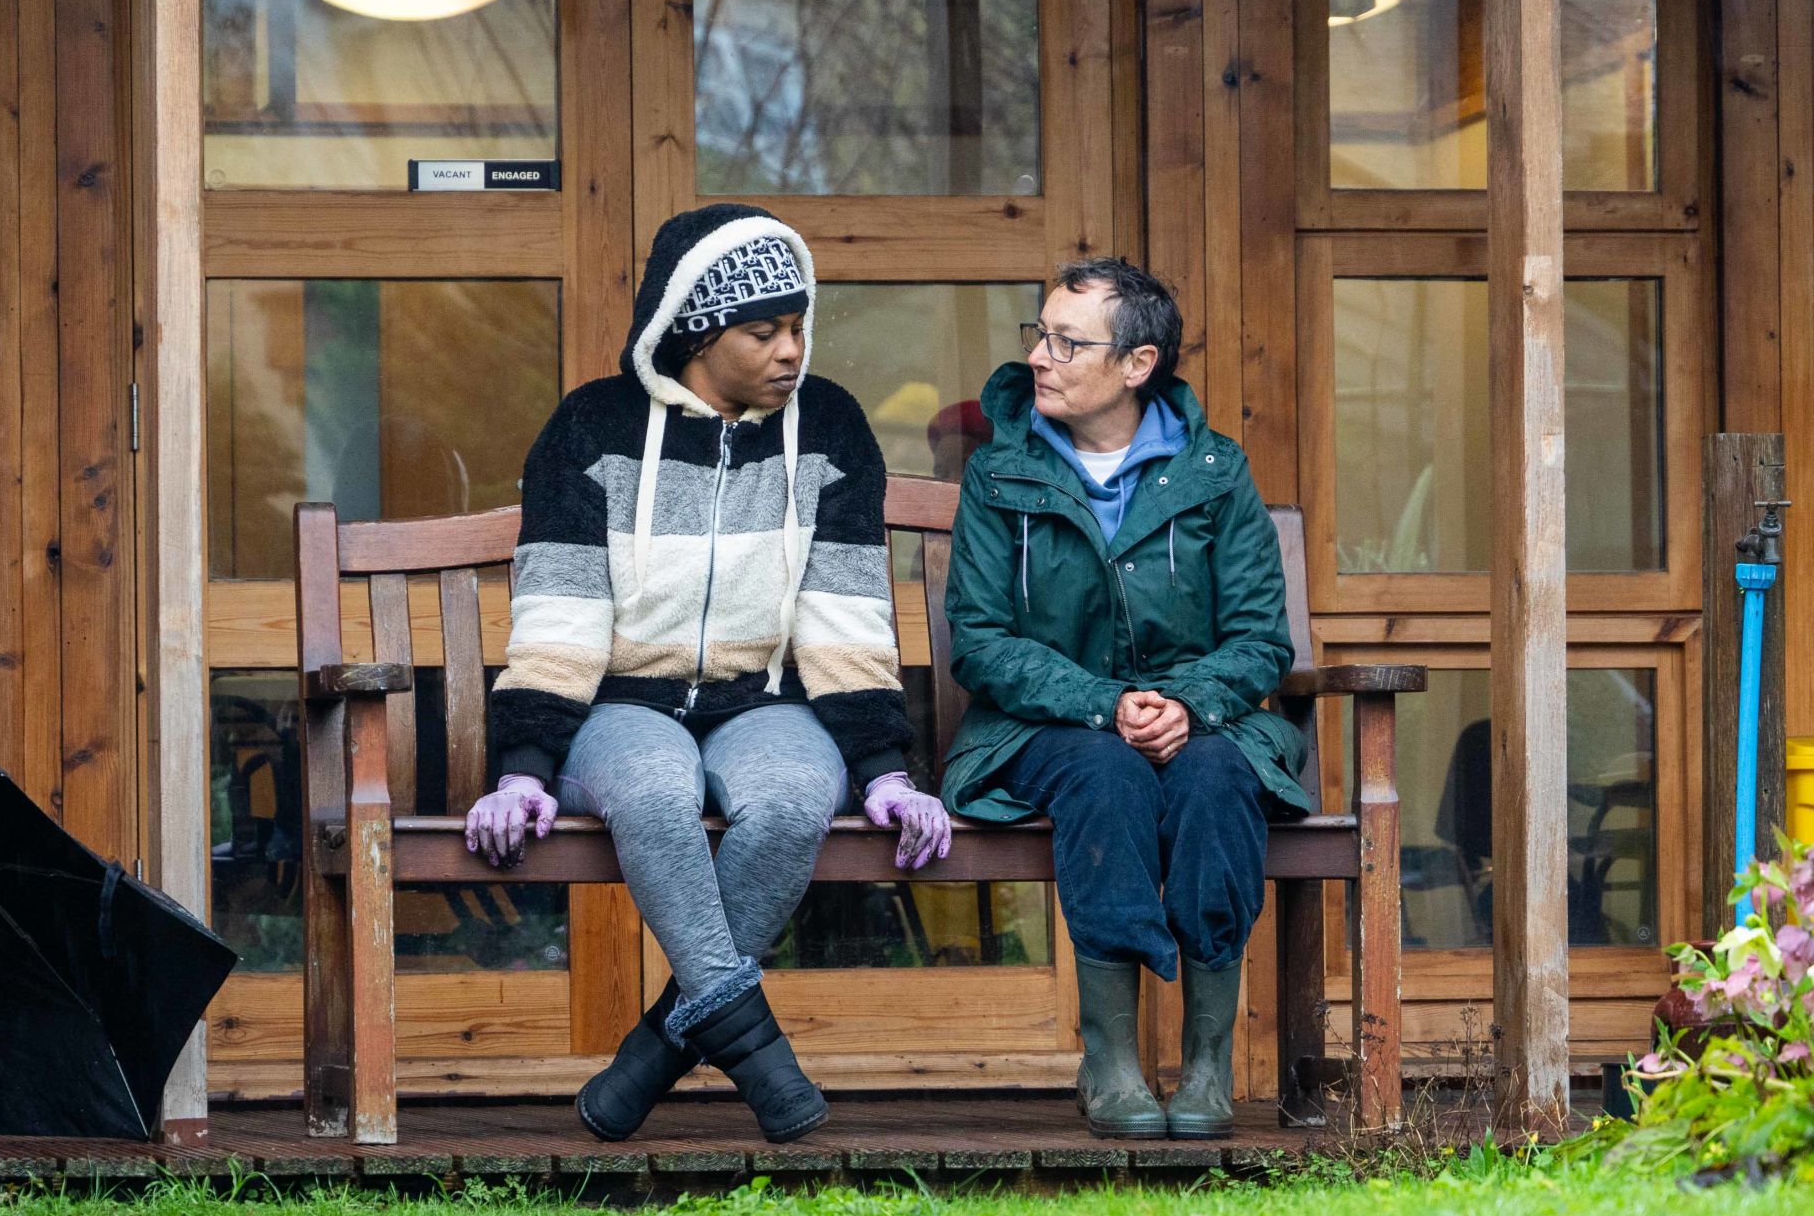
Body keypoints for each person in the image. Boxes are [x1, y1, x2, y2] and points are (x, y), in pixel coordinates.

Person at [457, 205, 956, 1142]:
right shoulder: (591, 428)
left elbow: (844, 613)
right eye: (762, 331)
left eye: (799, 327)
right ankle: (754, 1048)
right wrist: (524, 767)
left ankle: (661, 1044)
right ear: (695, 334)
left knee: (799, 794)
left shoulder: (831, 427)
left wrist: (885, 772)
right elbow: (559, 613)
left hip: (762, 698)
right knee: (652, 789)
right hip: (619, 703)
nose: (790, 349)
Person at [939, 257, 1311, 1139]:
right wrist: (1109, 705)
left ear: (1137, 364)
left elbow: (1261, 637)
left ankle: (1208, 1060)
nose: (1041, 356)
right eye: (1040, 334)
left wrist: (1182, 703)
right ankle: (1109, 1057)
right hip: (1043, 730)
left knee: (1216, 779)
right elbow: (982, 640)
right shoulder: (1003, 474)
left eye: (1068, 341)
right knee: (1106, 772)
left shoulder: (1216, 473)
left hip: (1205, 723)